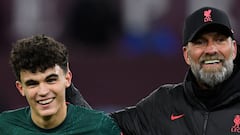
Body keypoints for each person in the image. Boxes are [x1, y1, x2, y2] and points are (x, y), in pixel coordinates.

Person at [66, 6, 240, 135]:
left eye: (219, 40)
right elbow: (104, 128)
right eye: (200, 42)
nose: (211, 50)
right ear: (186, 54)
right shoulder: (164, 104)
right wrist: (66, 87)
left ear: (234, 49)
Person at [0, 35, 121, 135]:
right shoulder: (4, 127)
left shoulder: (100, 127)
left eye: (51, 80)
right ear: (20, 88)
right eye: (33, 83)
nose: (43, 91)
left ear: (67, 79)